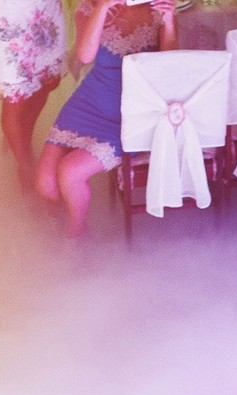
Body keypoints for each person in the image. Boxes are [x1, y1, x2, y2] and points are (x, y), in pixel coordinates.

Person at [36, 0, 180, 238]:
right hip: (90, 103)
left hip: (133, 109)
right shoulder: (89, 7)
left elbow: (169, 67)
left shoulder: (157, 5)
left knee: (71, 172)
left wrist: (169, 23)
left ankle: (77, 234)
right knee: (45, 185)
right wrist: (101, 9)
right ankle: (55, 227)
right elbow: (84, 56)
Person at [0, 0, 68, 191]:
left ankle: (22, 137)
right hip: (9, 11)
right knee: (16, 93)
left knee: (47, 81)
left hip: (45, 7)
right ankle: (26, 166)